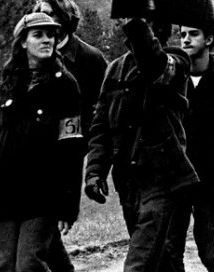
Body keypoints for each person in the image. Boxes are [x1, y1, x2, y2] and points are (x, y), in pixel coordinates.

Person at [0, 12, 85, 272]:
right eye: (38, 35)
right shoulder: (11, 81)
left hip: (43, 192)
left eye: (51, 35)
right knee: (4, 265)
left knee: (28, 265)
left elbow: (72, 147)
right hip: (5, 188)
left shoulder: (66, 85)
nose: (47, 40)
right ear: (23, 42)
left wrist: (69, 206)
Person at [85, 18, 199, 272]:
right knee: (161, 263)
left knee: (137, 265)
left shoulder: (176, 61)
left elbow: (154, 65)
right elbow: (101, 127)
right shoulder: (114, 70)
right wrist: (94, 171)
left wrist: (136, 24)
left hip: (163, 181)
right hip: (128, 183)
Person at [33, 0, 108, 272]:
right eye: (40, 12)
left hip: (69, 147)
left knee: (45, 220)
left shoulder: (90, 58)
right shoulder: (35, 54)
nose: (45, 19)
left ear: (65, 19)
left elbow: (102, 109)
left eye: (51, 14)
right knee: (40, 222)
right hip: (36, 148)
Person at [164, 26, 214, 272]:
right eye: (183, 34)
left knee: (211, 252)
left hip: (210, 180)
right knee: (170, 250)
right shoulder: (174, 76)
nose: (186, 39)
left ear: (209, 38)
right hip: (176, 177)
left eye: (194, 33)